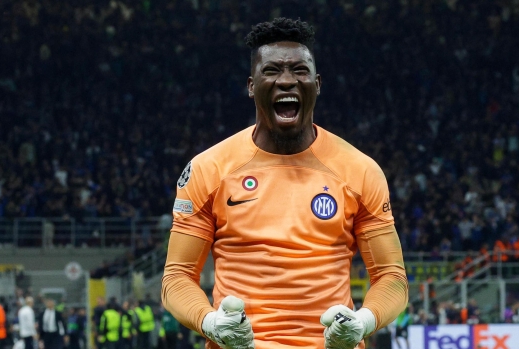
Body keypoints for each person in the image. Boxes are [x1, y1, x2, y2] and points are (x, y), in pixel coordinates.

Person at [161, 17, 408, 349]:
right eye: (272, 70)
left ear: (317, 84)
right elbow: (176, 277)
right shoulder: (209, 169)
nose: (287, 81)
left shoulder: (359, 171)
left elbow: (392, 277)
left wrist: (362, 322)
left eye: (300, 71)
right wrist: (211, 323)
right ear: (251, 86)